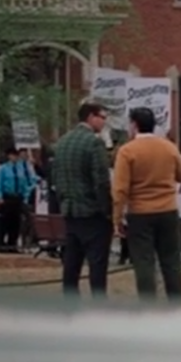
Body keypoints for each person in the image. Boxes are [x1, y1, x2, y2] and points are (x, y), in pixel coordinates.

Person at [112, 107, 181, 302]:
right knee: (171, 261)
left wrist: (117, 217)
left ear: (134, 125)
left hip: (140, 212)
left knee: (144, 261)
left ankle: (148, 305)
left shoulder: (127, 151)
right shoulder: (169, 147)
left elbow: (120, 189)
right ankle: (177, 303)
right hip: (168, 209)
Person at [51, 102, 114, 298]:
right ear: (90, 117)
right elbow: (101, 181)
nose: (104, 122)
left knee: (72, 262)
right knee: (97, 263)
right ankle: (98, 303)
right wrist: (107, 210)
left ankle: (70, 302)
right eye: (102, 117)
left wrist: (64, 201)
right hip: (92, 212)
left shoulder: (62, 142)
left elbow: (56, 178)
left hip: (70, 209)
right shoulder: (94, 143)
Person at [0, 147, 32, 253]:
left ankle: (12, 244)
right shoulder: (3, 168)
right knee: (5, 222)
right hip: (7, 197)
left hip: (18, 197)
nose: (15, 157)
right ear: (9, 156)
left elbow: (25, 184)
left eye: (16, 155)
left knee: (16, 223)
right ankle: (2, 245)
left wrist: (25, 196)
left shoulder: (21, 169)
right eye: (13, 155)